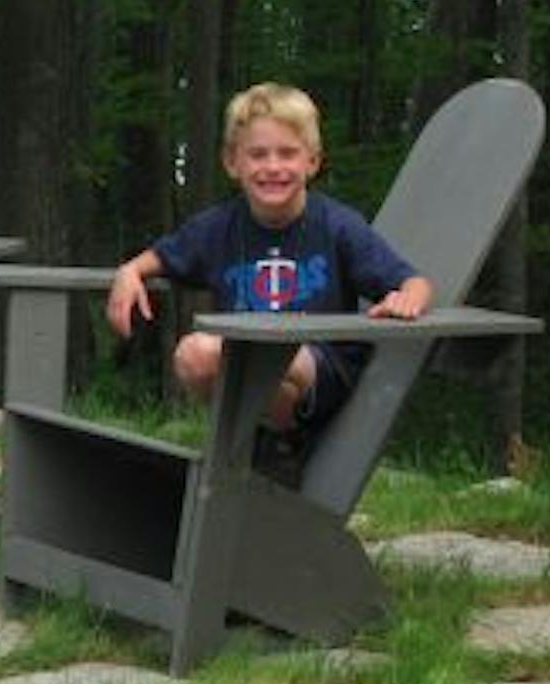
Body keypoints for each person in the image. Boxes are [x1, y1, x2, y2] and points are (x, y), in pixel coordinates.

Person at [105, 81, 429, 477]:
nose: (272, 167)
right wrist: (129, 272)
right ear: (232, 162)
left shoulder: (337, 225)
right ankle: (280, 439)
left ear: (312, 161)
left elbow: (412, 282)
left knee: (226, 352)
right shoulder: (217, 228)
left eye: (288, 154)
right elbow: (154, 259)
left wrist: (407, 298)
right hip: (257, 377)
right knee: (193, 357)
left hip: (323, 370)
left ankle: (272, 438)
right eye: (257, 154)